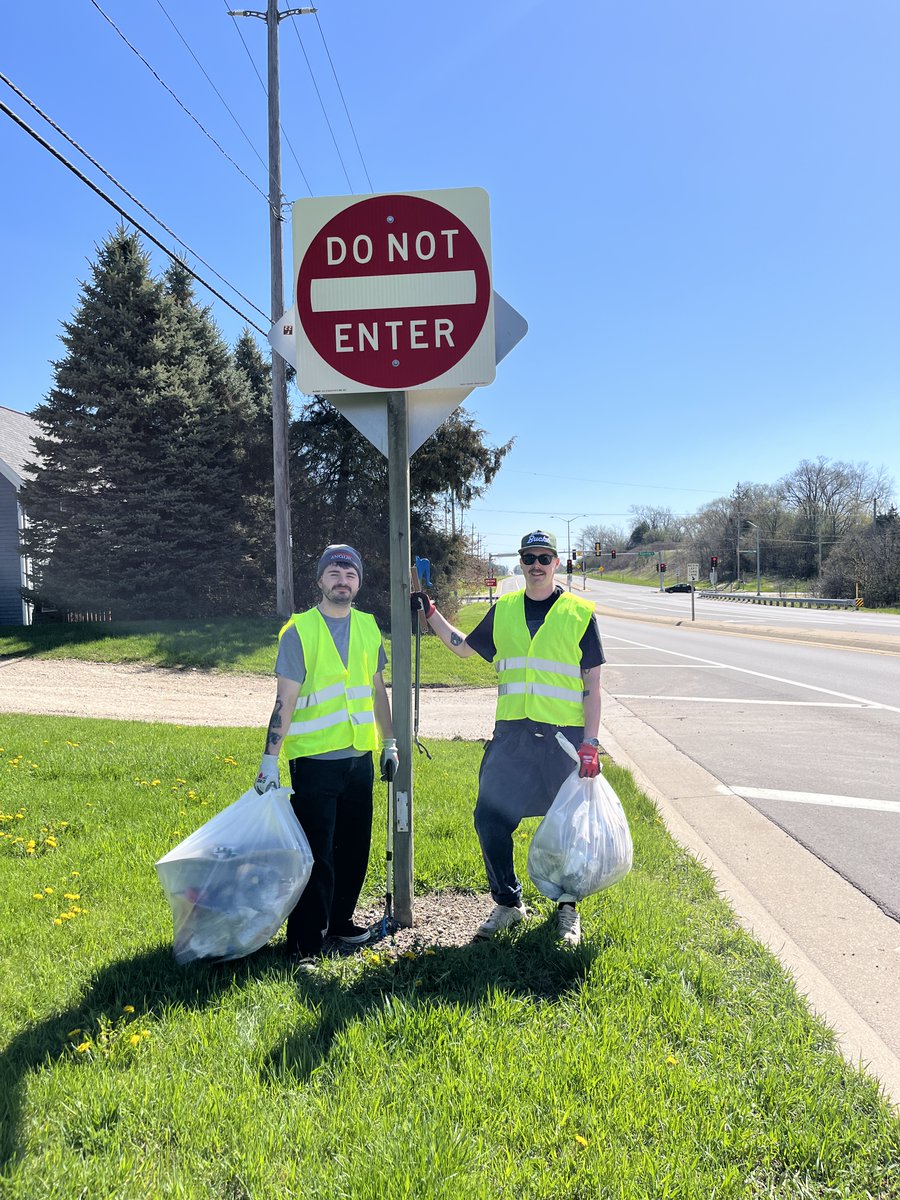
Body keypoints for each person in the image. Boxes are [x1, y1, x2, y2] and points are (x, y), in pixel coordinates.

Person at [411, 529, 604, 947]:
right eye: (529, 558)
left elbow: (592, 684)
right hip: (512, 738)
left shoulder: (579, 613)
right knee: (490, 819)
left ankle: (567, 910)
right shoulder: (506, 609)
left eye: (544, 558)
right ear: (520, 563)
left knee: (568, 830)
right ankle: (508, 902)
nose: (536, 565)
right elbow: (463, 649)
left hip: (562, 741)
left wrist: (591, 742)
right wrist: (430, 612)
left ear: (556, 563)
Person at [254, 544, 398, 960]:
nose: (342, 580)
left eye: (350, 574)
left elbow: (377, 692)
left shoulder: (370, 628)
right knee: (317, 854)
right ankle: (304, 943)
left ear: (358, 583)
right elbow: (285, 701)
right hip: (315, 762)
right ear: (319, 580)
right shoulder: (300, 630)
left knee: (354, 848)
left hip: (359, 759)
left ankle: (341, 922)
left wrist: (388, 743)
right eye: (334, 572)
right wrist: (269, 761)